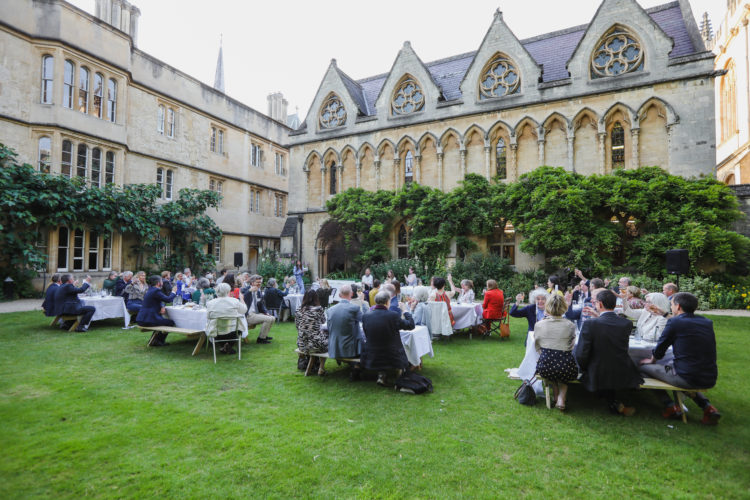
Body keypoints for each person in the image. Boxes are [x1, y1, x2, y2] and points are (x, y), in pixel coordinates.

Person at [638, 292, 721, 424]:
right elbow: (681, 322)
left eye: (672, 305)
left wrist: (651, 360)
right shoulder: (706, 322)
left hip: (686, 377)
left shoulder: (675, 323)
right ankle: (707, 407)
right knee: (682, 369)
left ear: (678, 307)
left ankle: (670, 406)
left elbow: (660, 349)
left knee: (642, 367)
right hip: (709, 376)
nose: (671, 308)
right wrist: (664, 314)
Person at [574, 289, 643, 416]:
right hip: (622, 368)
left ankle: (612, 401)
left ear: (599, 304)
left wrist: (582, 368)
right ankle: (614, 402)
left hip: (598, 370)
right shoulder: (626, 323)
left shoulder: (590, 324)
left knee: (583, 357)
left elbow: (582, 352)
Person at [361, 291, 415, 386]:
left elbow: (367, 334)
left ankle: (382, 375)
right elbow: (410, 325)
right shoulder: (393, 315)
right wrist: (405, 310)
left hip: (372, 354)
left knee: (384, 343)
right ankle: (400, 374)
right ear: (387, 302)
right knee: (398, 345)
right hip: (392, 355)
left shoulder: (366, 316)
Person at [534, 294, 577, 411]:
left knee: (550, 362)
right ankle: (561, 397)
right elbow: (572, 344)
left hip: (545, 367)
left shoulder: (539, 324)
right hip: (566, 368)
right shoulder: (570, 325)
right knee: (564, 365)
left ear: (547, 307)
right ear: (564, 307)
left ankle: (556, 394)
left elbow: (537, 346)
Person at [326, 284, 365, 379]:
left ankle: (353, 365)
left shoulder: (330, 310)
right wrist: (363, 303)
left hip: (334, 348)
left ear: (339, 295)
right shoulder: (354, 309)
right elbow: (365, 320)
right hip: (350, 349)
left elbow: (328, 328)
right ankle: (356, 366)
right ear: (351, 294)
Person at [206, 282, 248, 355]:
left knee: (214, 326)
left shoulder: (210, 303)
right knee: (238, 328)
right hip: (233, 332)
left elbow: (208, 317)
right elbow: (244, 310)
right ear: (228, 291)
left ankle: (224, 346)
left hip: (217, 332)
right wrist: (242, 299)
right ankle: (227, 346)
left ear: (216, 291)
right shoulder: (234, 301)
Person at [137, 275, 177, 346]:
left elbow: (158, 299)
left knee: (163, 321)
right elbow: (168, 299)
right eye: (162, 281)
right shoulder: (156, 291)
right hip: (148, 319)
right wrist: (173, 292)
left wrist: (162, 306)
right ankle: (159, 341)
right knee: (170, 322)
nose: (163, 282)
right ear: (158, 283)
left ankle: (154, 340)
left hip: (142, 318)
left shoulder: (151, 289)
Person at [295, 289, 329, 375]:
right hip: (316, 344)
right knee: (328, 338)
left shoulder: (299, 310)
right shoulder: (318, 309)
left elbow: (297, 327)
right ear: (316, 298)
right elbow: (323, 322)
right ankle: (321, 368)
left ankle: (307, 363)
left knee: (314, 337)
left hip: (302, 344)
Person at [243, 276, 275, 344]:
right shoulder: (245, 289)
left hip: (256, 313)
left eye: (260, 282)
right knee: (268, 319)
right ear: (252, 283)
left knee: (272, 318)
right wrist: (249, 291)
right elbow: (241, 298)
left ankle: (264, 335)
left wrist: (266, 312)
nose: (259, 284)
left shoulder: (258, 291)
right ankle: (261, 339)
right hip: (248, 315)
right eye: (257, 282)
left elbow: (261, 304)